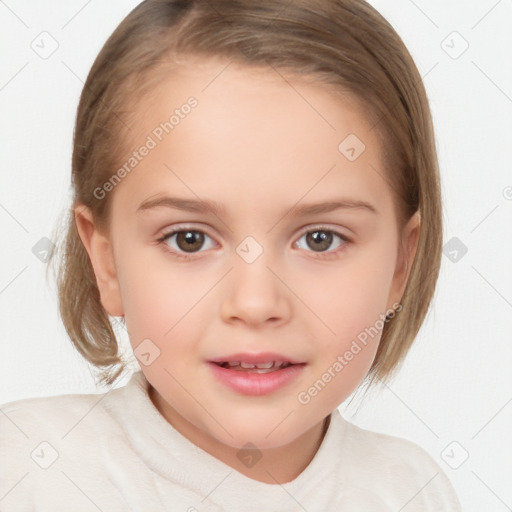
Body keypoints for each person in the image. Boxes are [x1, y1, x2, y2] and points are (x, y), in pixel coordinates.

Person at [0, 0, 462, 510]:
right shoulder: (28, 469)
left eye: (320, 239)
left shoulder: (411, 489)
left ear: (401, 264)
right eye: (189, 239)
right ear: (106, 263)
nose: (256, 302)